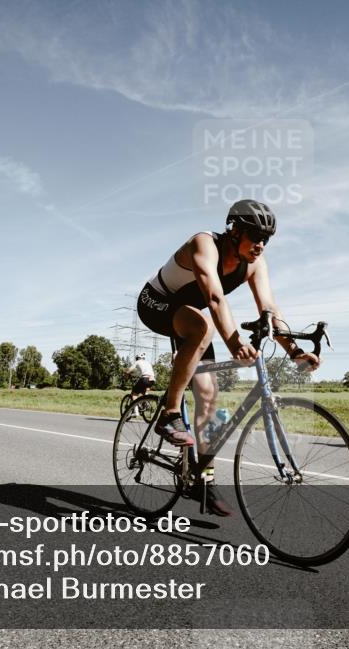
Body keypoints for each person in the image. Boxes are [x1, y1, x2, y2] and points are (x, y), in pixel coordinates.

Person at [136, 199, 319, 515]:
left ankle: (203, 480)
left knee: (208, 396)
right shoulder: (203, 244)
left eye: (266, 239)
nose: (260, 245)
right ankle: (168, 414)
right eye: (254, 236)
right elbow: (215, 298)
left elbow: (270, 311)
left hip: (194, 319)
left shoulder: (255, 264)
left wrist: (295, 352)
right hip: (158, 304)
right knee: (202, 326)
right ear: (234, 231)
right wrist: (235, 343)